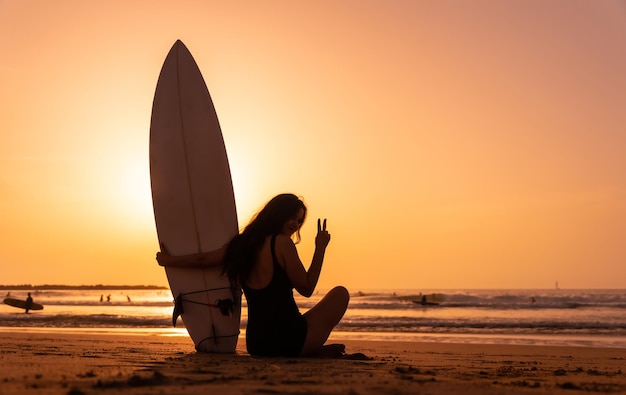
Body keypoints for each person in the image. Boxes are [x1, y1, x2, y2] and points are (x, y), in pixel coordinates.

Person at [157, 193, 349, 357]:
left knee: (302, 318)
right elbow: (307, 288)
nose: (295, 224)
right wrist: (320, 248)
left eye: (299, 221)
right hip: (289, 338)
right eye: (292, 217)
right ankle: (310, 350)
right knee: (341, 294)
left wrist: (169, 261)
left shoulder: (241, 244)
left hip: (258, 344)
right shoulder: (282, 243)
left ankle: (311, 350)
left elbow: (204, 261)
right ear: (278, 214)